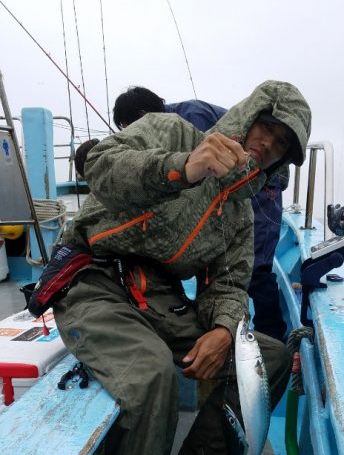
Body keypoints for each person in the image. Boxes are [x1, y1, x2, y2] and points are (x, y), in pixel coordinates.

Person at [54, 80, 311, 455]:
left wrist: (222, 328)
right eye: (268, 127)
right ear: (247, 116)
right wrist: (181, 168)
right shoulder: (171, 131)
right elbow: (103, 165)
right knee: (150, 379)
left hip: (161, 294)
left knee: (261, 356)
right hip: (96, 278)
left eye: (285, 145)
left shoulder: (241, 213)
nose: (269, 144)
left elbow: (232, 281)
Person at [111, 86, 289, 341]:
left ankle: (272, 337)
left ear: (142, 114)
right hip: (230, 185)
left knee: (257, 266)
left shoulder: (190, 117)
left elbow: (212, 175)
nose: (133, 134)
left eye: (130, 126)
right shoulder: (165, 124)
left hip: (259, 185)